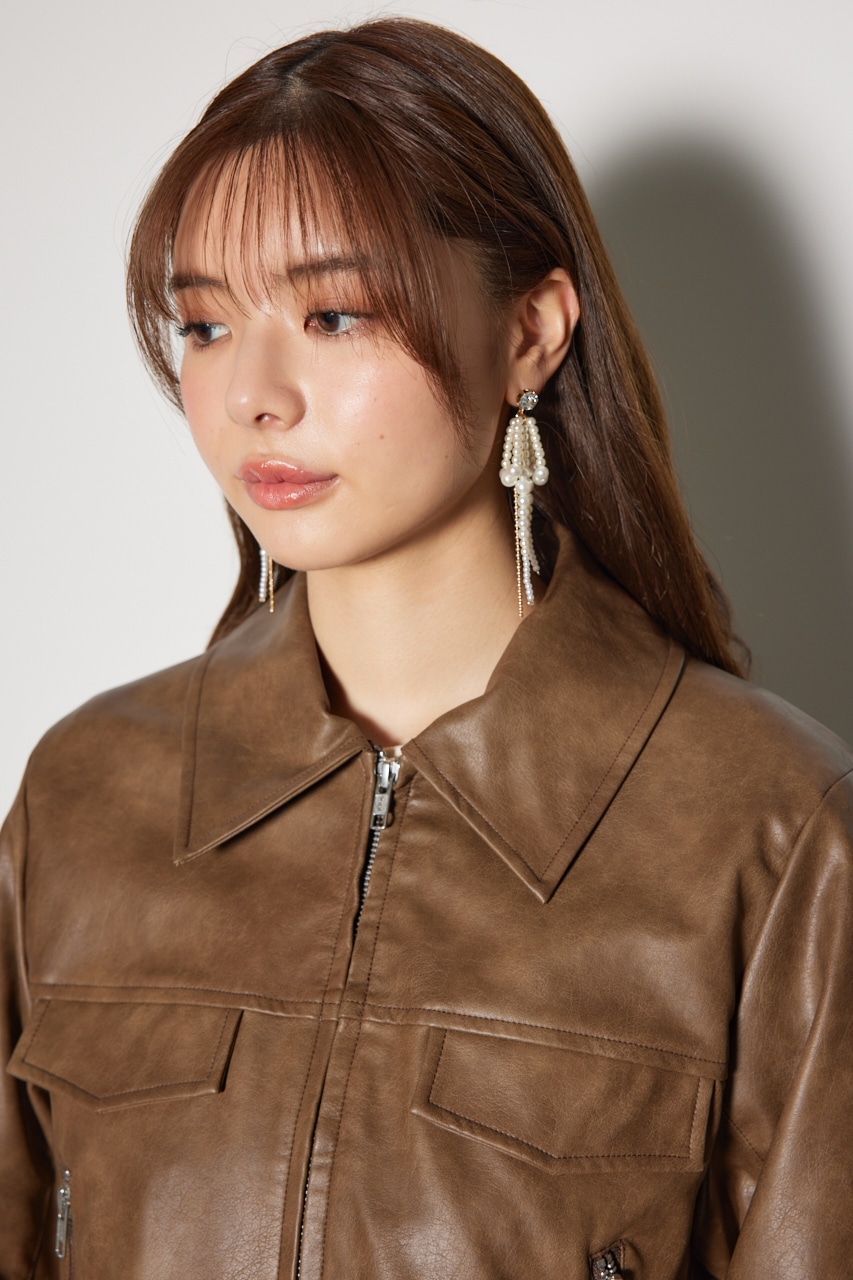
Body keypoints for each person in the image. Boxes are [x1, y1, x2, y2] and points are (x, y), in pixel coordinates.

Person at [1, 17, 851, 1280]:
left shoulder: (772, 829)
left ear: (531, 332)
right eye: (206, 326)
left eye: (334, 313)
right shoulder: (85, 796)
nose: (254, 395)